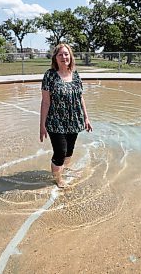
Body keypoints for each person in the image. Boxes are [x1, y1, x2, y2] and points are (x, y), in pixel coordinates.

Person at [40, 43, 92, 188]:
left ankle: (63, 170)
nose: (64, 57)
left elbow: (80, 97)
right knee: (60, 152)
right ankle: (58, 179)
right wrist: (42, 125)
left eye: (66, 54)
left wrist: (86, 118)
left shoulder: (75, 74)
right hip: (55, 122)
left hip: (74, 120)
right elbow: (45, 102)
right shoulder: (50, 75)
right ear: (55, 58)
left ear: (70, 56)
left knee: (69, 151)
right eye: (60, 54)